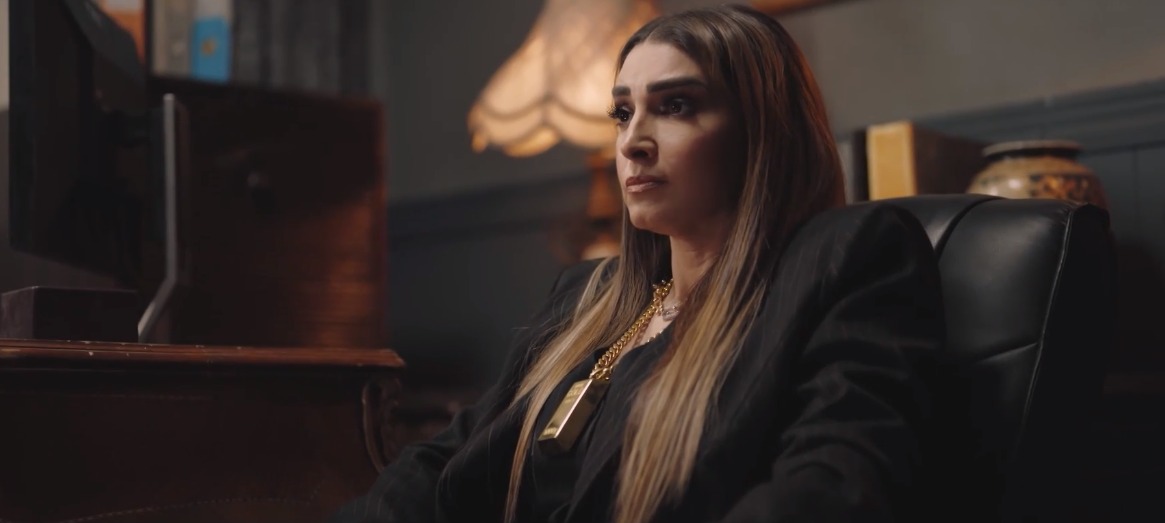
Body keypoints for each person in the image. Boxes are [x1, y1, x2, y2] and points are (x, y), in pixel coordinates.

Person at [330, 4, 943, 523]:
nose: (632, 141)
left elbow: (831, 487)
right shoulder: (586, 296)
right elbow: (448, 460)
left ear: (762, 131)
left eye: (675, 106)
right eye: (623, 113)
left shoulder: (850, 256)